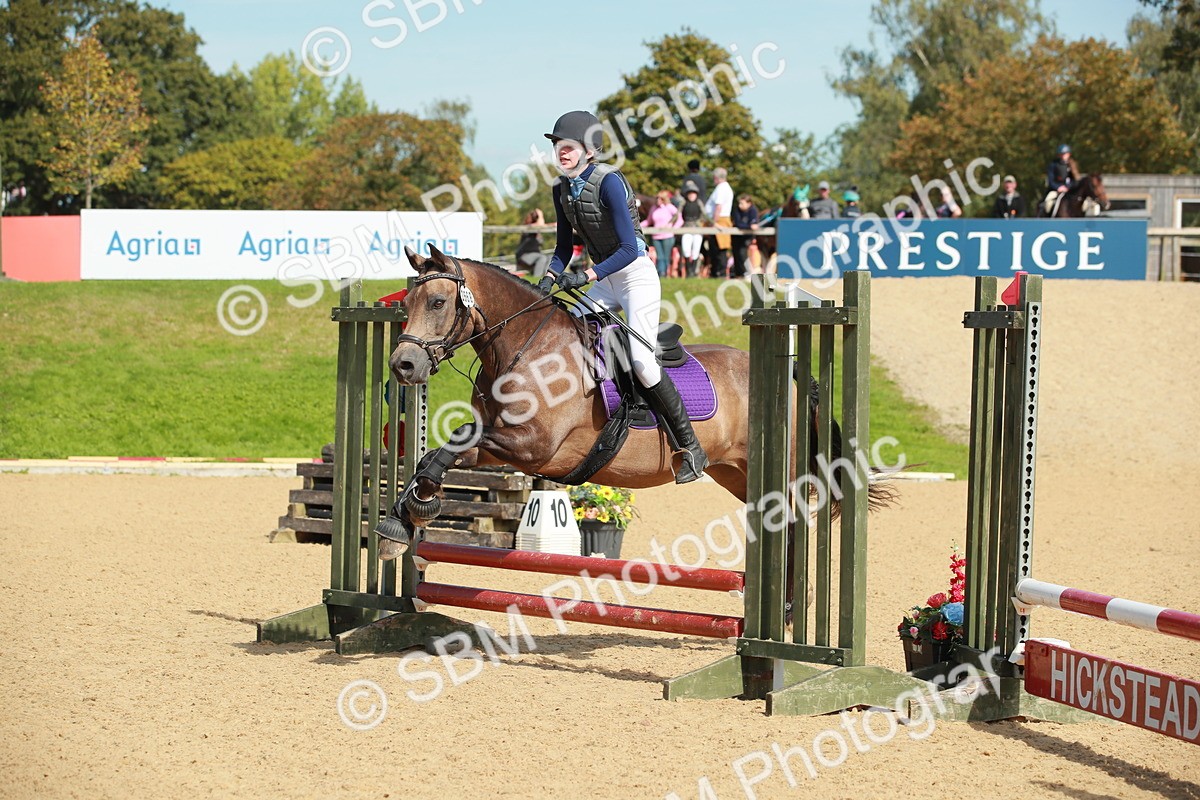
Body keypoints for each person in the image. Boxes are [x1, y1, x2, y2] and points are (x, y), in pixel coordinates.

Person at [536, 110, 707, 483]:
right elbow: (564, 246)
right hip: (602, 280)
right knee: (567, 333)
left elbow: (631, 248)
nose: (561, 152)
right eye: (557, 145)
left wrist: (587, 274)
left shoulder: (609, 181)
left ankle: (691, 446)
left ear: (589, 150)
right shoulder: (560, 188)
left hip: (634, 278)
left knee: (643, 361)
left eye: (568, 146)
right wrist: (548, 280)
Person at [642, 190, 682, 277]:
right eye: (657, 198)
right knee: (659, 256)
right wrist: (638, 226)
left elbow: (679, 218)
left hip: (668, 236)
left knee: (666, 255)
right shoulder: (653, 208)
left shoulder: (669, 207)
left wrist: (673, 228)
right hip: (656, 236)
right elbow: (649, 221)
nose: (658, 200)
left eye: (661, 198)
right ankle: (661, 273)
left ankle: (665, 272)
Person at [703, 167, 734, 278]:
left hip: (719, 220)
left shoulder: (722, 188)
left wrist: (713, 222)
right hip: (718, 220)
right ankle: (715, 272)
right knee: (715, 249)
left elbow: (718, 206)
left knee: (719, 249)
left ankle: (719, 273)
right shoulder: (723, 188)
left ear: (716, 177)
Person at [729, 194, 759, 279]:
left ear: (749, 203)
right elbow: (738, 224)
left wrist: (749, 226)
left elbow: (754, 223)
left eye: (742, 203)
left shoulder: (753, 211)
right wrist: (749, 226)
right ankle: (739, 274)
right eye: (739, 203)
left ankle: (747, 272)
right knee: (736, 254)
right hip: (736, 236)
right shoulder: (736, 210)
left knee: (742, 253)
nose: (739, 205)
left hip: (747, 237)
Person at [679, 181, 705, 277]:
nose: (691, 195)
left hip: (697, 228)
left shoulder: (699, 203)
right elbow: (677, 215)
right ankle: (688, 270)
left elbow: (704, 214)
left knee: (696, 250)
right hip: (686, 227)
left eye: (693, 193)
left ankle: (693, 271)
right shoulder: (684, 203)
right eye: (690, 193)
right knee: (686, 249)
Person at [514, 208, 551, 277]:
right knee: (542, 258)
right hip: (524, 256)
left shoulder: (538, 230)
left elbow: (547, 225)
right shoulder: (528, 227)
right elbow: (541, 225)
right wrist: (540, 215)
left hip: (535, 255)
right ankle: (536, 279)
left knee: (550, 257)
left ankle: (545, 278)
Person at [1044, 144, 1078, 215]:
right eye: (1061, 154)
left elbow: (1074, 180)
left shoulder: (1072, 165)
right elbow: (1051, 180)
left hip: (1069, 191)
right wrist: (1058, 187)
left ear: (1069, 154)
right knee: (1048, 201)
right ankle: (1047, 216)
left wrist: (1068, 187)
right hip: (1056, 190)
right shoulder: (1053, 165)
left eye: (1065, 154)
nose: (1063, 156)